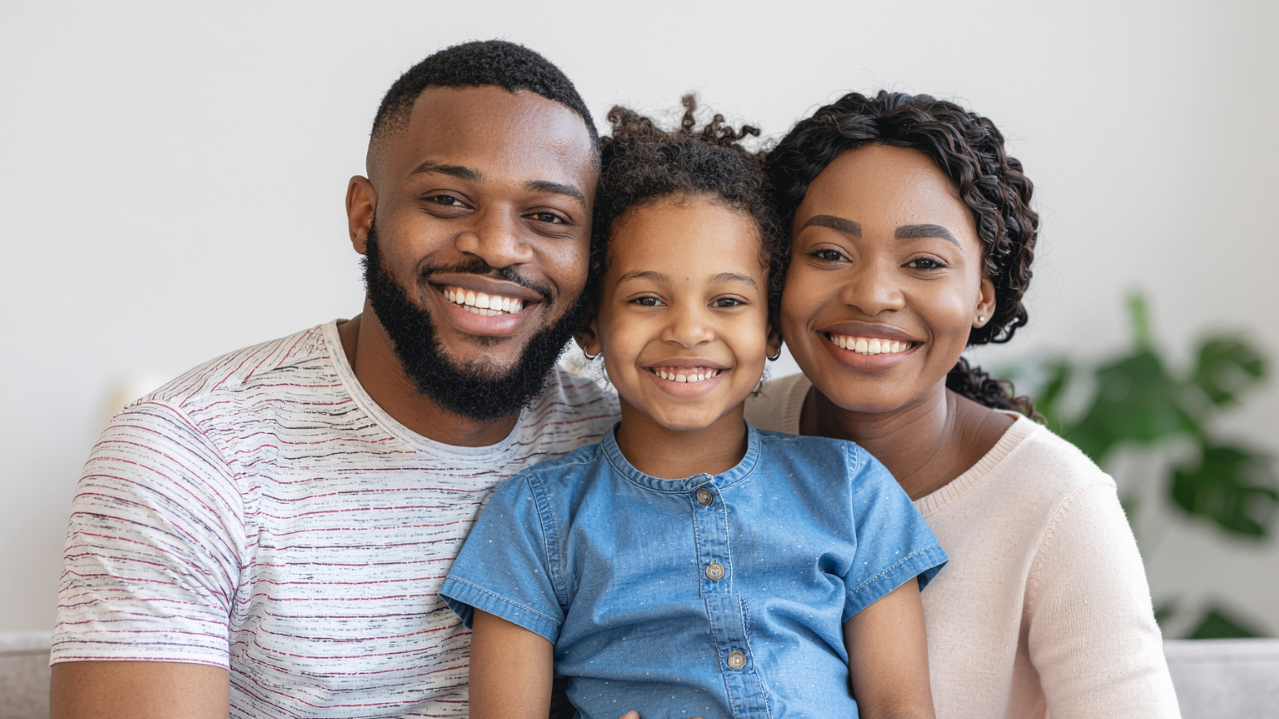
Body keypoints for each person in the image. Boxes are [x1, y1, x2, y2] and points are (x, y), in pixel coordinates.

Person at [50, 40, 619, 719]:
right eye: (446, 199)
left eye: (548, 217)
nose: (496, 247)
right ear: (364, 215)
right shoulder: (189, 455)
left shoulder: (624, 443)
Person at [439, 98, 948, 719]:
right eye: (647, 298)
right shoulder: (535, 519)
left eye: (728, 301)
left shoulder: (851, 490)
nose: (688, 331)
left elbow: (902, 706)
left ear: (772, 331)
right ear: (590, 327)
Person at [745, 91, 1182, 718]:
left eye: (924, 262)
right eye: (829, 254)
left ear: (981, 296)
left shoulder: (1058, 505)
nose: (871, 294)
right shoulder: (732, 432)